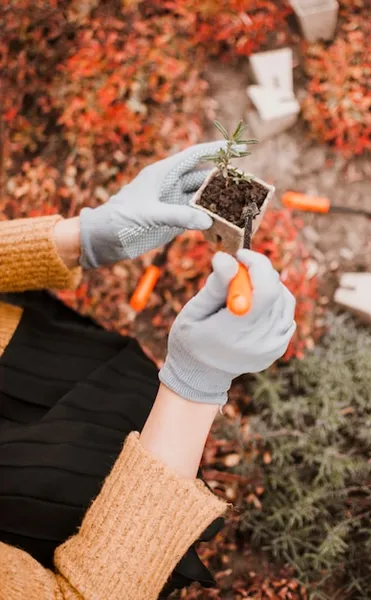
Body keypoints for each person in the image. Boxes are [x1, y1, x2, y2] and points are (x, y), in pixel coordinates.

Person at [0, 142, 296, 599]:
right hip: (32, 493)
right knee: (96, 477)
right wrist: (193, 387)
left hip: (22, 350)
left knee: (121, 394)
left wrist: (86, 236)